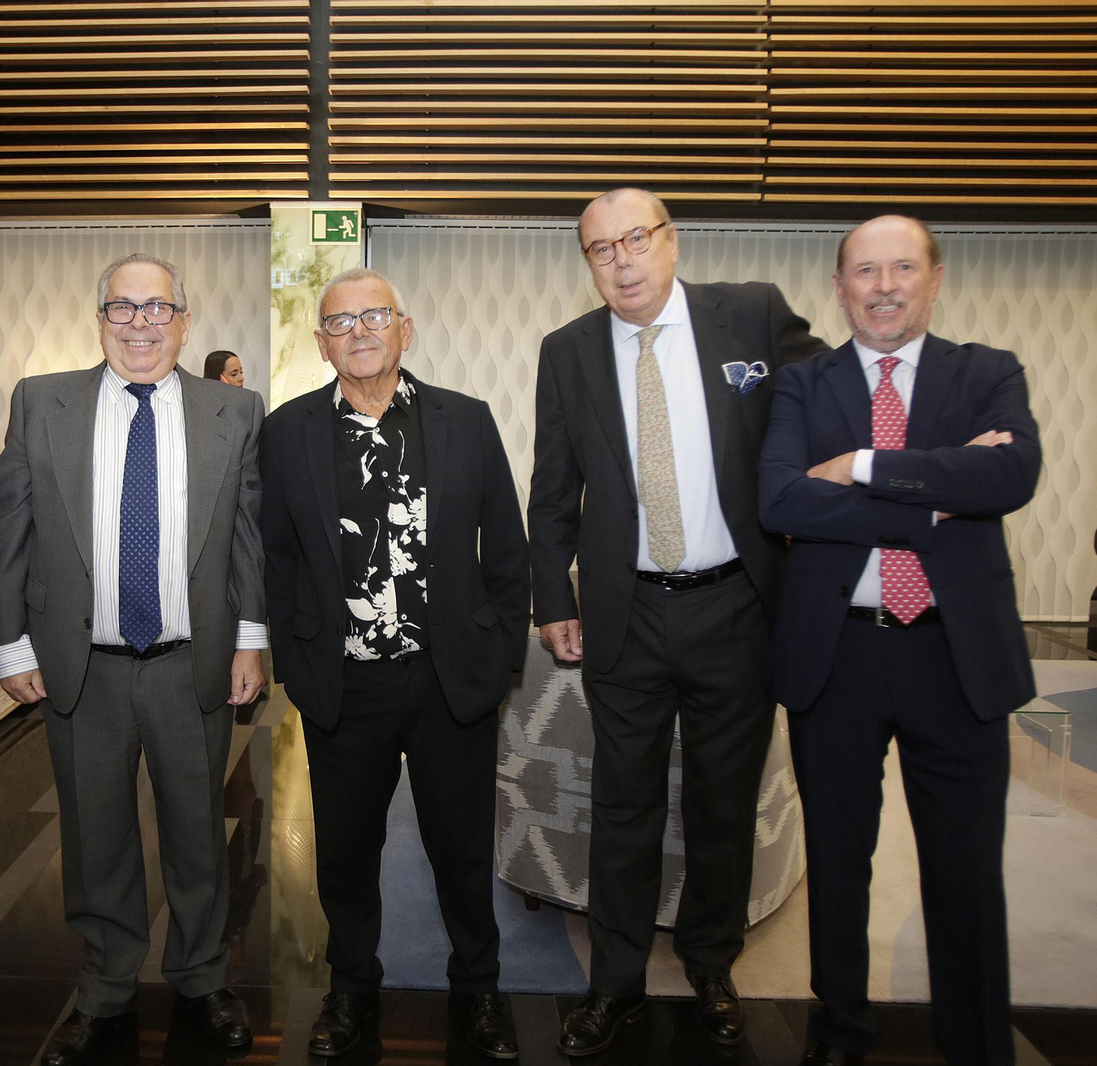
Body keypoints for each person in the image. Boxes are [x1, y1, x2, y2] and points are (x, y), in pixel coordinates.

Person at [528, 188, 825, 1055]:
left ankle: (710, 966)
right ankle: (612, 986)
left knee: (723, 804)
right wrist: (556, 598)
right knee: (621, 807)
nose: (620, 261)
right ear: (587, 264)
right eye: (599, 250)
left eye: (635, 240)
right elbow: (553, 489)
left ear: (672, 241)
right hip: (628, 613)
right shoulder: (569, 351)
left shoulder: (753, 316)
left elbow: (832, 389)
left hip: (738, 605)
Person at [759, 215, 1041, 1066]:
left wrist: (861, 468)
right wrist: (937, 494)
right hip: (838, 655)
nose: (884, 286)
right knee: (839, 869)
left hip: (956, 659)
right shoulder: (803, 385)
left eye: (903, 268)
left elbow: (1009, 475)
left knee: (965, 874)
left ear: (935, 277)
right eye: (865, 271)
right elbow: (780, 501)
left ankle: (977, 1044)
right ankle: (841, 1035)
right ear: (839, 286)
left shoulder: (988, 373)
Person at [0, 253, 266, 1066]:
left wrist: (250, 641)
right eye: (123, 308)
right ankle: (104, 989)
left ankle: (203, 978)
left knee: (197, 834)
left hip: (192, 663)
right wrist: (9, 642)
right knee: (95, 833)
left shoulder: (234, 410)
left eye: (158, 308)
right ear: (98, 317)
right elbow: (10, 531)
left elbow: (248, 539)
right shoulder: (42, 402)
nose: (141, 324)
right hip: (86, 665)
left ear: (185, 319)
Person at [260, 267, 530, 1060]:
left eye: (374, 316)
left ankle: (477, 988)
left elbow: (507, 552)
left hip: (450, 681)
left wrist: (500, 656)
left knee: (462, 846)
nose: (359, 332)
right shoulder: (288, 431)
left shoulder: (466, 421)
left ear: (404, 328)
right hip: (347, 683)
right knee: (345, 850)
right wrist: (298, 660)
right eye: (340, 322)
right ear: (320, 342)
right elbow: (275, 557)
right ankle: (351, 989)